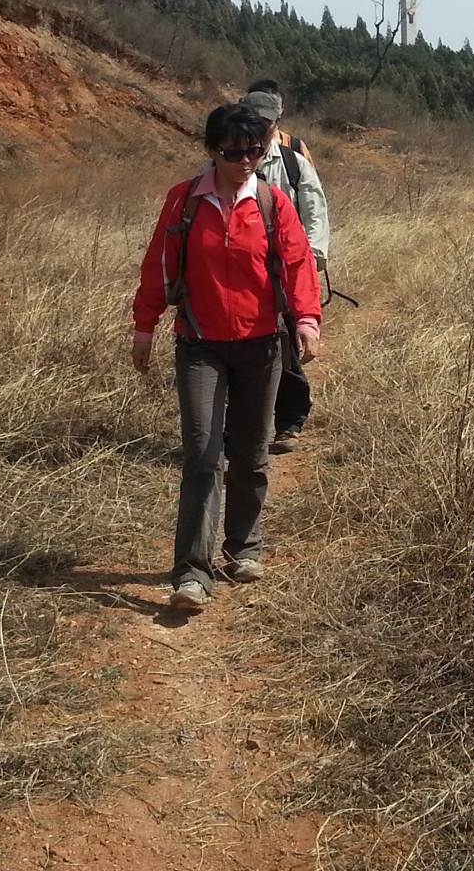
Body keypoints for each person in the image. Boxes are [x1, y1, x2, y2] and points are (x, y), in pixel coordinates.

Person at [131, 102, 323, 614]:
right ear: (211, 151)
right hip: (200, 344)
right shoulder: (183, 202)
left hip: (262, 345)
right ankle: (192, 573)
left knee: (252, 452)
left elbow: (297, 262)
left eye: (254, 151)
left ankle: (243, 547)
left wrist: (306, 320)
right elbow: (159, 265)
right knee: (202, 454)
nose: (244, 161)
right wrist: (144, 326)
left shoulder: (272, 203)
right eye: (232, 152)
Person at [239, 82, 330, 451]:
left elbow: (315, 211)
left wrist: (311, 260)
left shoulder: (293, 162)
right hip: (241, 273)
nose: (258, 129)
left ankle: (289, 422)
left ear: (276, 122)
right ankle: (240, 427)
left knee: (286, 346)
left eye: (265, 123)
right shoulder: (226, 160)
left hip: (286, 271)